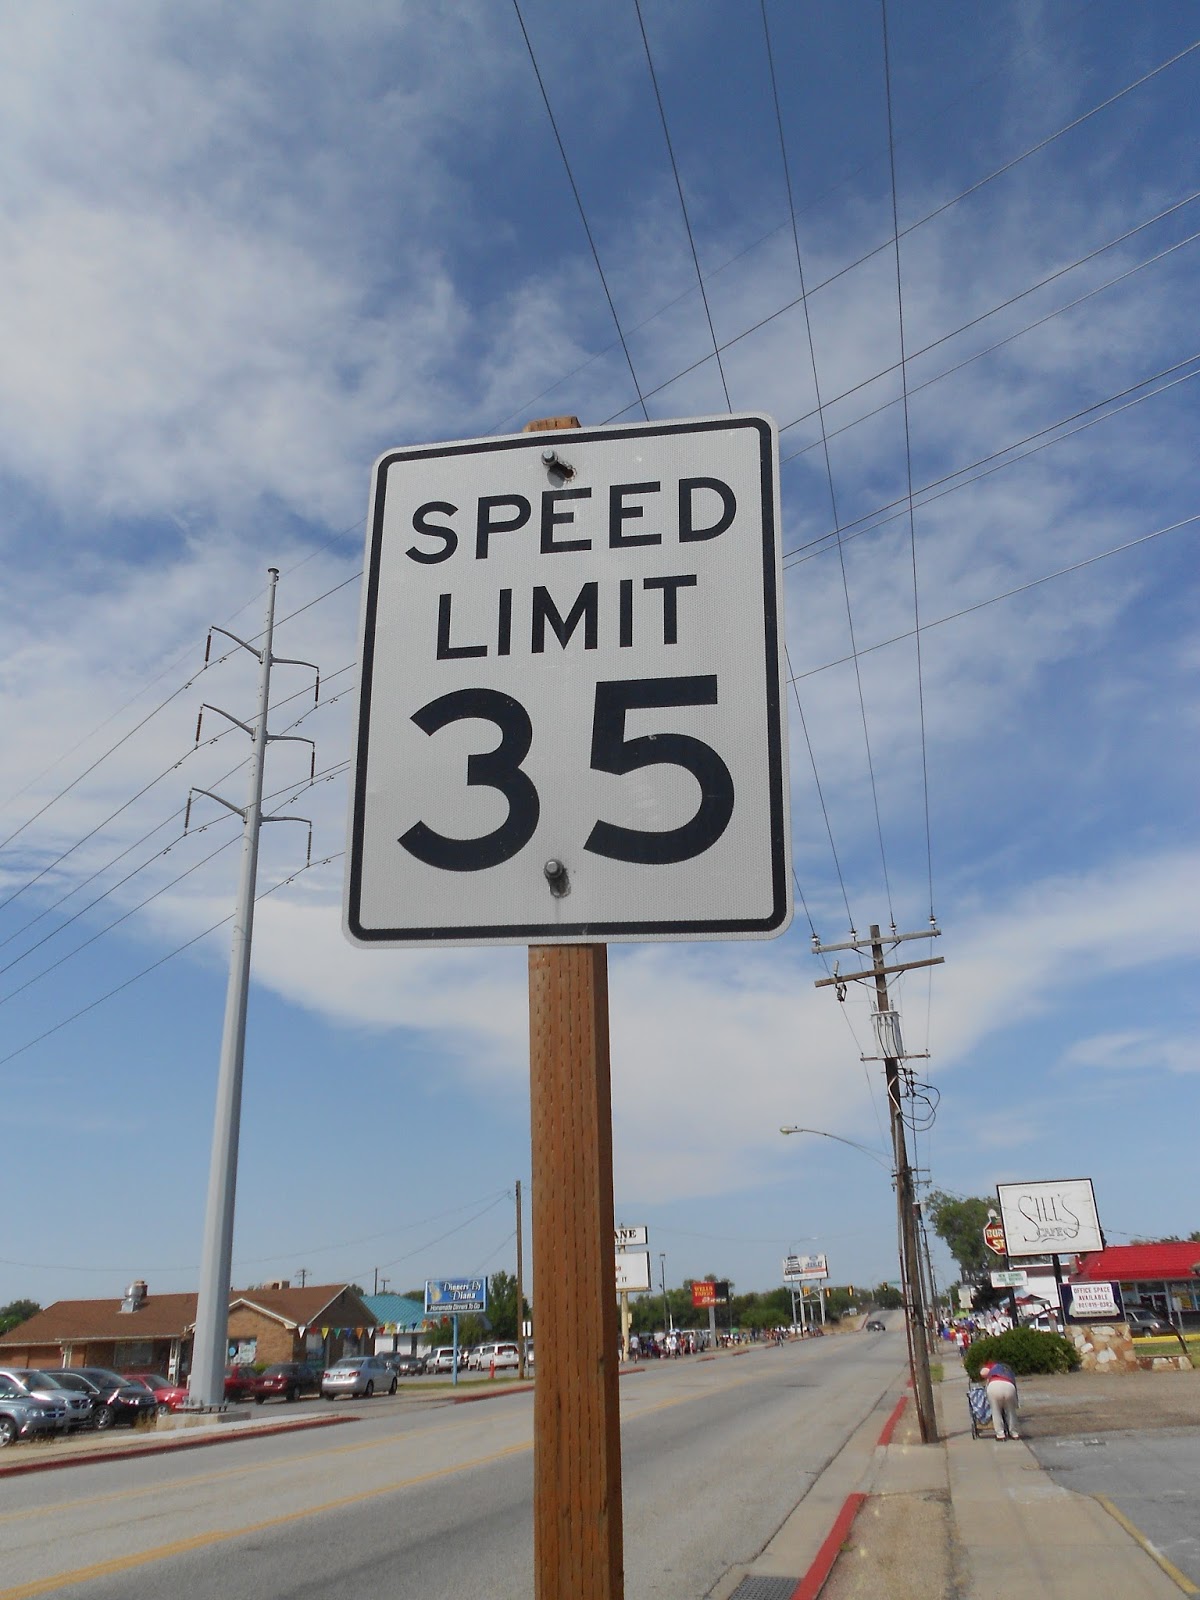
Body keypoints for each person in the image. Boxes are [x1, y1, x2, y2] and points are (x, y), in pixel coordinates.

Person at [979, 1357, 1020, 1440]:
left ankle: (1000, 1435)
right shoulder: (1008, 1370)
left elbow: (982, 1373)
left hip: (994, 1386)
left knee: (996, 1411)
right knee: (1011, 1412)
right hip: (1009, 1386)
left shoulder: (992, 1366)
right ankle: (1014, 1433)